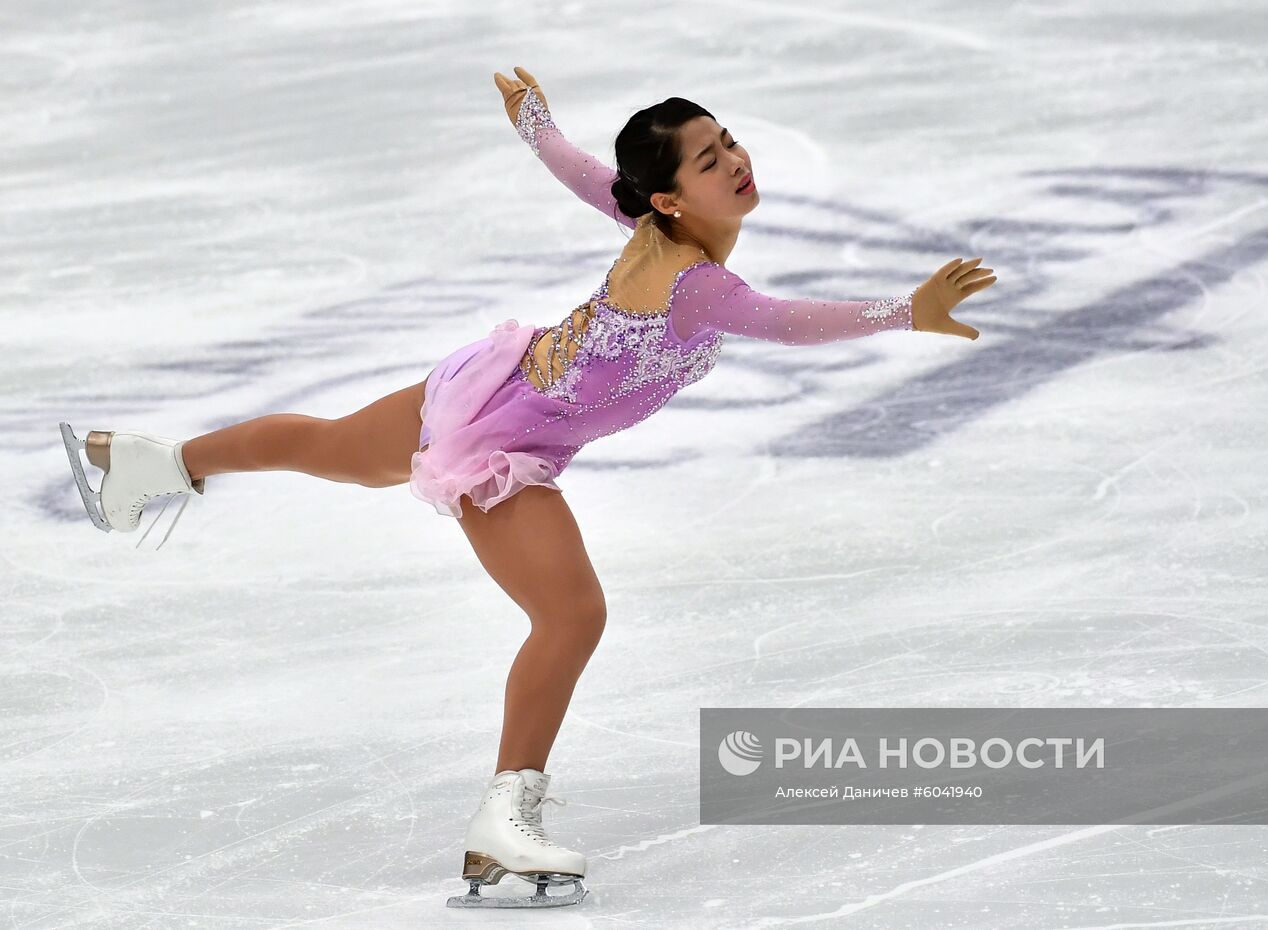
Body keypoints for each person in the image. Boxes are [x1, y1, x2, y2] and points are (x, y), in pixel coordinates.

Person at [58, 66, 995, 908]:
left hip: (492, 383)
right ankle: (505, 822)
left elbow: (584, 169)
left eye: (730, 142)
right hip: (507, 438)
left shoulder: (644, 217)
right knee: (571, 614)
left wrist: (535, 121)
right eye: (710, 160)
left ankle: (149, 463)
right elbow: (786, 323)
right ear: (669, 199)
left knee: (332, 444)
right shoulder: (695, 283)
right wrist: (904, 312)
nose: (736, 163)